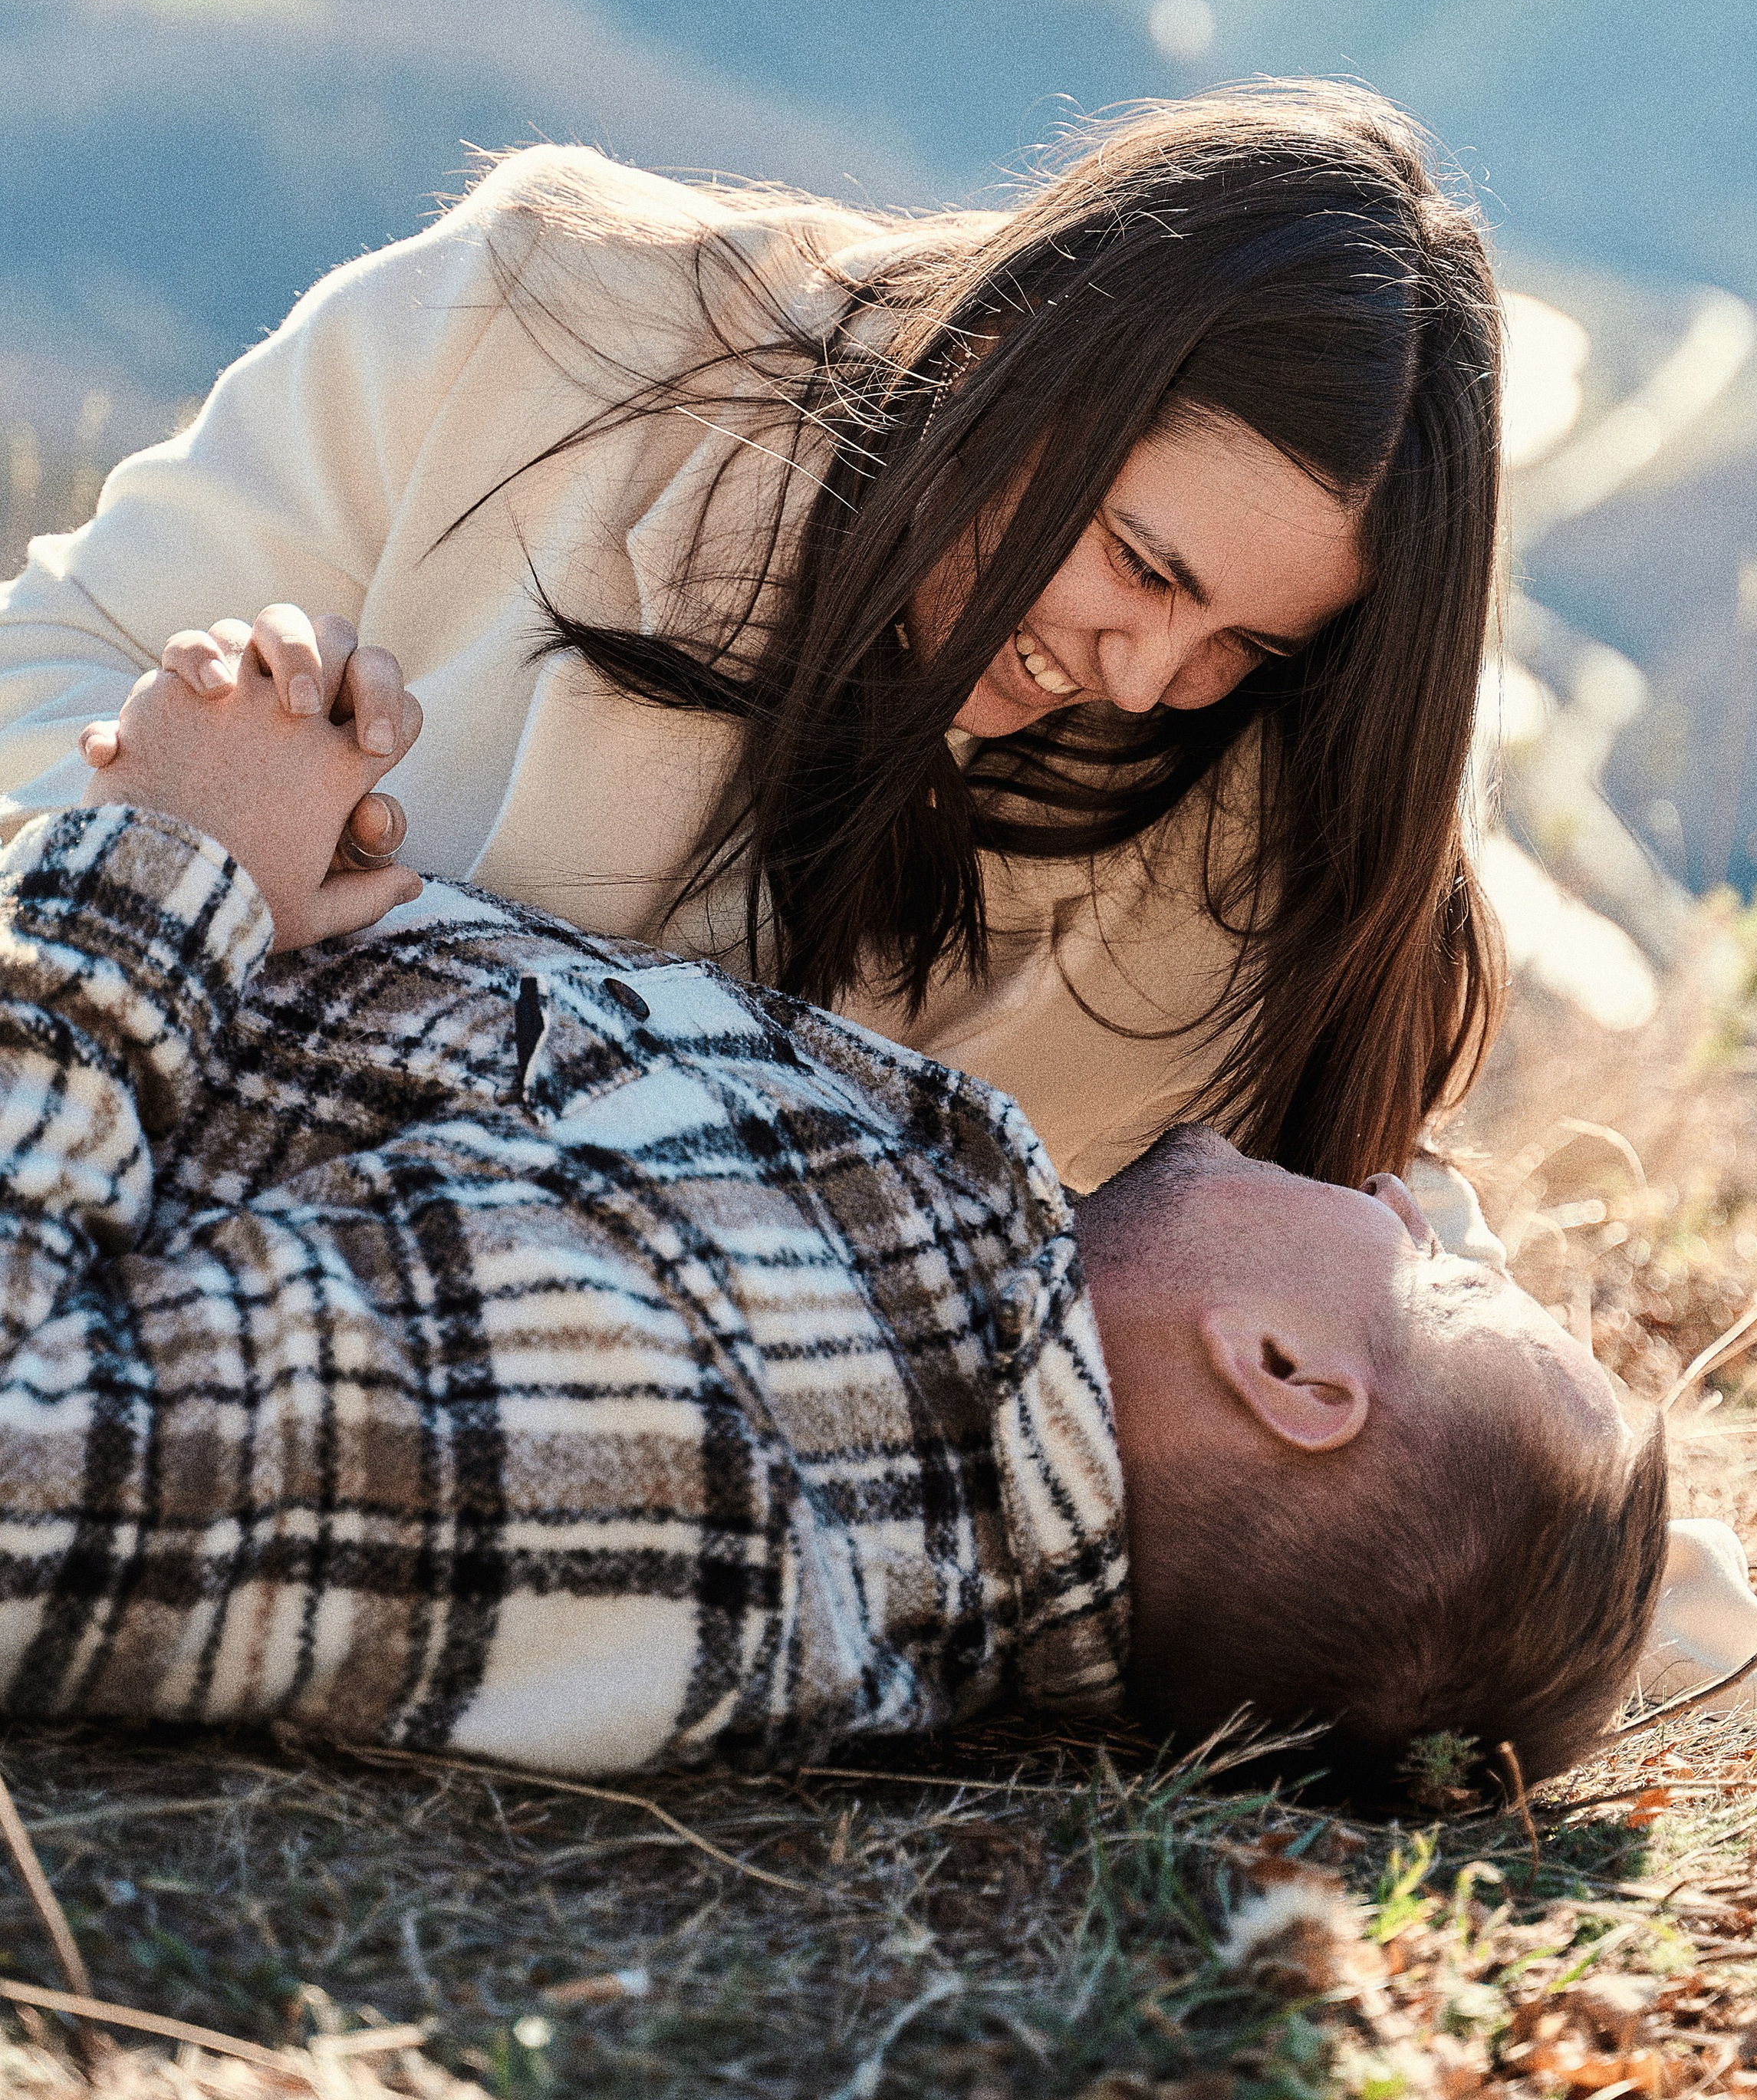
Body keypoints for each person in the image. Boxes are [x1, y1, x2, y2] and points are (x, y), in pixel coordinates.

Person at [0, 643, 1667, 1795]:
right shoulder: (927, 1298)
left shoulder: (705, 1468)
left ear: (1291, 1373)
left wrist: (172, 863)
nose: (1397, 1194)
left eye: (1431, 1266)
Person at [0, 87, 1502, 1198]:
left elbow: (1360, 1272)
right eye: (1136, 561)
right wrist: (203, 876)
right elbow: (43, 669)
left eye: (1245, 640)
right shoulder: (531, 314)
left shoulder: (1243, 802)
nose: (1141, 676)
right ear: (1016, 353)